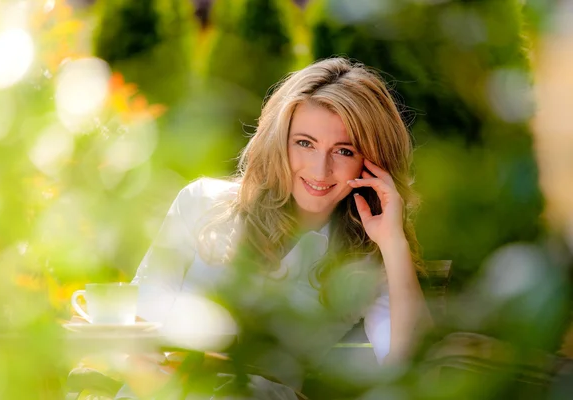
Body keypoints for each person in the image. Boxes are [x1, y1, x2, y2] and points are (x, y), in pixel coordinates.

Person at [121, 57, 432, 399]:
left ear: (372, 162)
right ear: (278, 142)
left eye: (344, 150)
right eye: (304, 143)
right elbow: (139, 327)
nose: (320, 169)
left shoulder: (366, 256)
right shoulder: (202, 203)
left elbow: (409, 364)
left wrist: (393, 242)